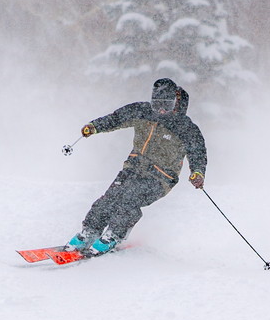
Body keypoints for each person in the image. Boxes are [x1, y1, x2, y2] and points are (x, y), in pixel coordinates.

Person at [65, 77, 207, 255]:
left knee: (129, 200)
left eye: (167, 105)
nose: (162, 110)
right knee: (110, 198)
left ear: (176, 102)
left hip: (161, 178)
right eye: (158, 104)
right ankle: (89, 231)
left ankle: (114, 235)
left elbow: (198, 152)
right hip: (133, 169)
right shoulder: (142, 111)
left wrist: (198, 173)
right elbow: (116, 119)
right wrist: (94, 126)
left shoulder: (185, 127)